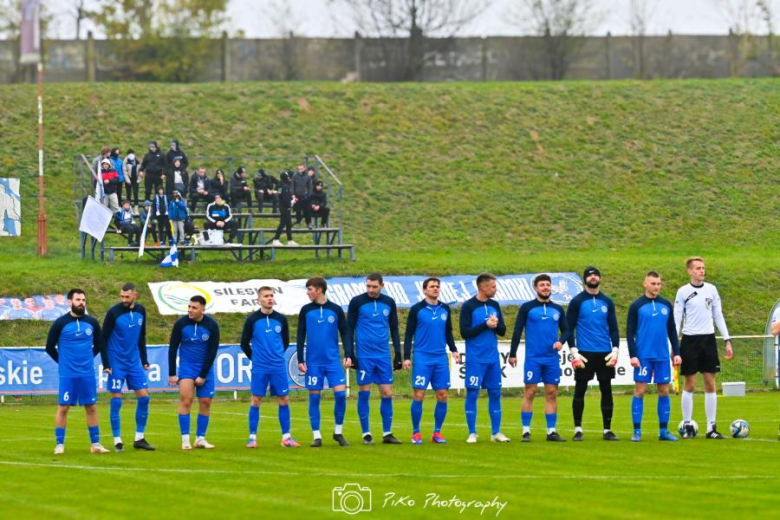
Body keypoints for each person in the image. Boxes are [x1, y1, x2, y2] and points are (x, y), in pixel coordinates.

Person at [674, 256, 733, 439]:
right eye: (698, 268)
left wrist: (727, 339)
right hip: (689, 341)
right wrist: (674, 346)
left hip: (708, 340)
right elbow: (677, 319)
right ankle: (687, 425)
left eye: (703, 268)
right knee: (690, 384)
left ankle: (711, 428)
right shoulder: (683, 292)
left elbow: (718, 315)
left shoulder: (711, 290)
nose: (702, 271)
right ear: (689, 271)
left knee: (710, 383)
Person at [45, 288, 110, 454]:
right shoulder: (60, 323)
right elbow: (49, 347)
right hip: (68, 374)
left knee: (91, 407)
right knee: (63, 407)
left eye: (83, 300)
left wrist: (88, 357)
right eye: (78, 300)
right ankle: (59, 444)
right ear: (70, 302)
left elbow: (99, 345)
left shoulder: (92, 322)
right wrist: (63, 362)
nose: (81, 303)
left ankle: (95, 444)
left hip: (87, 373)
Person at [509, 274, 569, 442]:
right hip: (533, 358)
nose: (545, 288)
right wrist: (512, 353)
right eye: (542, 285)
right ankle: (526, 431)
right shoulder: (527, 308)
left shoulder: (558, 309)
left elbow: (566, 330)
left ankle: (551, 431)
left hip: (551, 359)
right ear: (535, 288)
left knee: (551, 393)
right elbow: (517, 330)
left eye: (548, 285)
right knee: (530, 392)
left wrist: (560, 341)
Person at [240, 287, 301, 448]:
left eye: (271, 296)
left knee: (284, 399)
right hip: (260, 367)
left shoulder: (281, 319)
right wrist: (255, 358)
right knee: (256, 399)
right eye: (266, 296)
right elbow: (244, 343)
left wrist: (277, 355)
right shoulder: (252, 319)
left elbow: (285, 341)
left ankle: (286, 437)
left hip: (278, 366)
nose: (269, 298)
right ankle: (252, 437)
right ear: (259, 299)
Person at [347, 273, 403, 445]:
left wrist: (398, 354)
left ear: (382, 285)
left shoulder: (389, 302)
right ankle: (366, 433)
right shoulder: (357, 302)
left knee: (387, 393)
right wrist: (349, 354)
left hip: (383, 356)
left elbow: (394, 328)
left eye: (374, 287)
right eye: (368, 286)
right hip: (365, 356)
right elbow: (348, 329)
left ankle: (387, 433)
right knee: (364, 393)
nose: (370, 290)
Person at [403, 277, 460, 444]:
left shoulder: (445, 309)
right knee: (419, 394)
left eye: (437, 286)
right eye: (432, 286)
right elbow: (408, 334)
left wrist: (454, 350)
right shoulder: (417, 309)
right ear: (424, 290)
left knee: (442, 395)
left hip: (441, 357)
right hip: (422, 357)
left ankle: (437, 432)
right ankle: (416, 432)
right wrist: (407, 357)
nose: (435, 288)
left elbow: (448, 332)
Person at [296, 277, 352, 447]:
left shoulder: (335, 310)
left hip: (333, 362)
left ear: (319, 290)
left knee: (341, 396)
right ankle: (317, 435)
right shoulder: (305, 310)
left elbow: (345, 333)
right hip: (313, 363)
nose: (308, 292)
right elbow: (300, 335)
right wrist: (300, 358)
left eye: (310, 289)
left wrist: (348, 354)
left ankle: (338, 432)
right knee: (314, 398)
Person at [566, 266, 620, 441]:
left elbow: (613, 328)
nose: (593, 278)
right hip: (584, 352)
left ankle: (607, 430)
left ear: (600, 278)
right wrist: (574, 351)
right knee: (580, 390)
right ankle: (578, 429)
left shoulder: (607, 301)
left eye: (596, 275)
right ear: (585, 280)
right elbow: (569, 328)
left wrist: (615, 350)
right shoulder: (577, 301)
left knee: (606, 390)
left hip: (604, 352)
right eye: (590, 276)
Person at [627, 271, 682, 442]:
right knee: (640, 391)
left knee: (664, 391)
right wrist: (633, 355)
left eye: (658, 284)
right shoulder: (636, 306)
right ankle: (637, 431)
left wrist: (677, 352)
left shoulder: (666, 305)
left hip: (662, 356)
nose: (656, 287)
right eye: (653, 284)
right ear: (645, 284)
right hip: (643, 356)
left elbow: (672, 330)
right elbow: (629, 332)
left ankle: (663, 431)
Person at [102, 283, 155, 452]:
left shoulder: (141, 311)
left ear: (135, 296)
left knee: (144, 398)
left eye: (127, 297)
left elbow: (142, 336)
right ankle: (117, 440)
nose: (124, 299)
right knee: (117, 400)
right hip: (116, 362)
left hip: (134, 361)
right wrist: (106, 363)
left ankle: (139, 438)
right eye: (122, 296)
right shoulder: (113, 312)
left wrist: (144, 359)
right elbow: (103, 338)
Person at [460, 273, 509, 444]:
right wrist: (484, 325)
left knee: (495, 393)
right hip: (475, 359)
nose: (496, 289)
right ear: (483, 287)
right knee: (473, 393)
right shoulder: (469, 306)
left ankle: (496, 432)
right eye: (493, 287)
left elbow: (502, 331)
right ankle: (472, 433)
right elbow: (464, 333)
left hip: (493, 358)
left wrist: (496, 325)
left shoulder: (495, 305)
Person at [168, 295, 220, 450]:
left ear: (203, 309)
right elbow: (172, 348)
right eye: (189, 307)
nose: (190, 310)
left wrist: (203, 375)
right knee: (186, 400)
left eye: (194, 307)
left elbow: (212, 351)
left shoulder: (212, 325)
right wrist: (172, 373)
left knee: (205, 402)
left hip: (205, 368)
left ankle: (200, 439)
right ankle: (185, 440)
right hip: (187, 367)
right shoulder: (181, 324)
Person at [271, 172, 298, 247]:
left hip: (284, 206)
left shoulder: (281, 186)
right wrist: (291, 203)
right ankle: (276, 239)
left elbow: (279, 194)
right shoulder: (286, 187)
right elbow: (285, 198)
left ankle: (290, 240)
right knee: (282, 223)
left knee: (288, 224)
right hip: (285, 207)